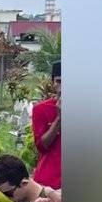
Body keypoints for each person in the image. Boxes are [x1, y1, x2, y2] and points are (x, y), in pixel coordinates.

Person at [32, 61, 62, 190]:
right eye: (59, 81)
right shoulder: (41, 109)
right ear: (53, 83)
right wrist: (59, 118)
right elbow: (42, 146)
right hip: (50, 182)